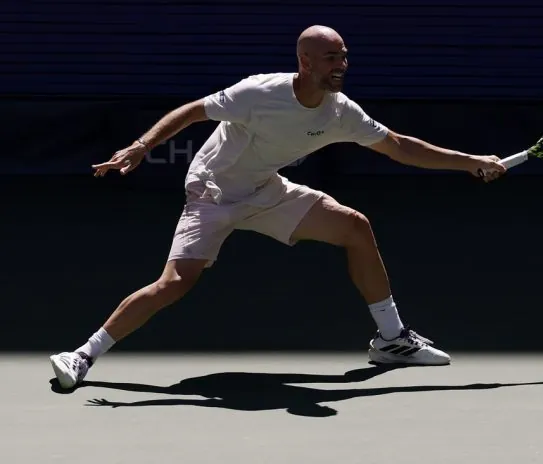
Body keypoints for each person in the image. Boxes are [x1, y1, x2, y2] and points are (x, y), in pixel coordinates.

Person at [49, 25, 506, 389]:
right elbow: (192, 111)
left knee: (354, 226)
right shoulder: (259, 93)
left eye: (344, 56)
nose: (341, 65)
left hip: (266, 190)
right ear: (305, 61)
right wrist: (141, 146)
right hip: (212, 192)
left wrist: (470, 162)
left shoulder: (341, 111)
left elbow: (400, 146)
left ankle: (391, 340)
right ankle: (83, 355)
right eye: (331, 58)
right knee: (174, 284)